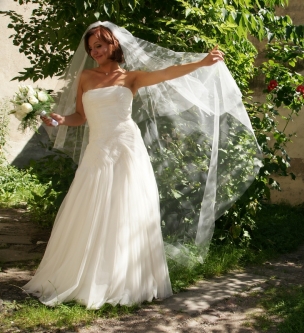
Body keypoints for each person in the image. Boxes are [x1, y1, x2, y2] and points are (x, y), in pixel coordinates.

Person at [23, 22, 261, 309]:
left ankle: (125, 279)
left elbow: (168, 73)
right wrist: (60, 119)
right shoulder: (86, 77)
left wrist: (201, 63)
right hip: (98, 149)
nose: (94, 51)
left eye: (99, 45)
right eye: (90, 48)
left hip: (126, 147)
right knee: (90, 207)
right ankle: (86, 276)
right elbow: (79, 116)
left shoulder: (131, 78)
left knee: (126, 208)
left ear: (113, 44)